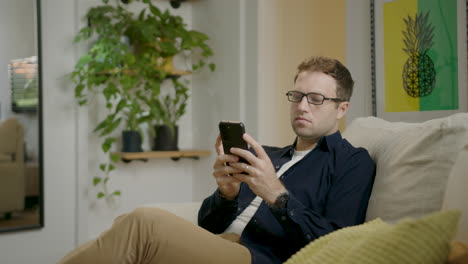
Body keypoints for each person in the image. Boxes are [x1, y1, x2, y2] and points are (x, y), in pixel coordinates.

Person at [59, 56, 376, 264]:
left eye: (316, 99)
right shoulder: (270, 155)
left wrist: (277, 196)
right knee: (124, 227)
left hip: (257, 257)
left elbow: (337, 243)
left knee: (143, 223)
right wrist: (226, 195)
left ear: (342, 108)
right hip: (223, 245)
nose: (302, 106)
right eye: (297, 96)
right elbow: (207, 224)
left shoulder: (351, 162)